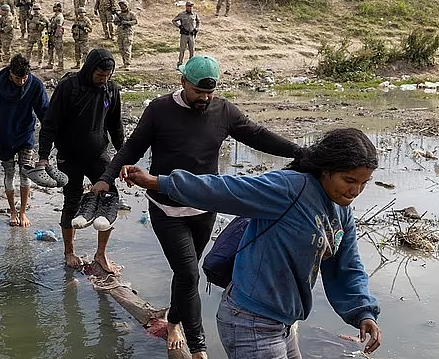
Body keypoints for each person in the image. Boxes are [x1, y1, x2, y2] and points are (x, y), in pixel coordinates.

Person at [90, 55, 302, 358]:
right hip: (167, 209)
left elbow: (256, 135)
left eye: (209, 93)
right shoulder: (160, 110)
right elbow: (133, 146)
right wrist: (107, 178)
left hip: (204, 209)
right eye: (198, 92)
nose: (204, 98)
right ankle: (198, 346)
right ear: (183, 82)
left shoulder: (223, 110)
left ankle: (174, 319)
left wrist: (300, 152)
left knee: (185, 275)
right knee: (189, 274)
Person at [121, 127, 383, 359]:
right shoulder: (291, 188)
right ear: (325, 170)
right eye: (349, 180)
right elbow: (223, 190)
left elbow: (347, 267)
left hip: (284, 322)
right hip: (250, 322)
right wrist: (158, 182)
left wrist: (363, 312)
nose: (355, 191)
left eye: (363, 183)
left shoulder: (342, 211)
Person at [38, 48, 124, 274]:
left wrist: (124, 158)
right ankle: (69, 252)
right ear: (89, 69)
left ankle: (101, 254)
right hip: (70, 157)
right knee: (72, 202)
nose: (103, 80)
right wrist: (43, 156)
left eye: (107, 76)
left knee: (109, 200)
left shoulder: (111, 91)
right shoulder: (69, 87)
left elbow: (116, 127)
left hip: (98, 155)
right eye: (99, 76)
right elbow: (50, 124)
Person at [0, 54, 49, 227]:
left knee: (25, 174)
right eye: (18, 78)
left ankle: (23, 212)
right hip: (3, 135)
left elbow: (45, 112)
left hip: (25, 135)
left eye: (25, 78)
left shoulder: (35, 85)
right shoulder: (0, 81)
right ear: (10, 73)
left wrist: (54, 132)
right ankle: (13, 211)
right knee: (9, 174)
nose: (22, 82)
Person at [172, 1, 200, 69]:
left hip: (191, 35)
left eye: (191, 6)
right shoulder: (182, 14)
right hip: (184, 35)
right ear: (186, 7)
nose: (190, 8)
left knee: (192, 50)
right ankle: (180, 64)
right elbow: (174, 20)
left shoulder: (194, 14)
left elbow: (198, 21)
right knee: (182, 50)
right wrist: (179, 26)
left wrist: (196, 28)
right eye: (189, 6)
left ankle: (191, 65)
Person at [113, 0, 138, 70]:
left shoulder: (131, 14)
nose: (122, 7)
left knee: (127, 48)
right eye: (121, 6)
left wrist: (127, 22)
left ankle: (127, 64)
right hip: (120, 33)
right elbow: (115, 22)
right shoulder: (119, 14)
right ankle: (124, 63)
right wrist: (118, 21)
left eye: (123, 5)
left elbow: (135, 21)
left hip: (128, 33)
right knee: (121, 49)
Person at [43, 2, 65, 72]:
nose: (54, 8)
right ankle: (50, 63)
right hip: (51, 35)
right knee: (50, 50)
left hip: (56, 36)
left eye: (55, 7)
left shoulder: (59, 17)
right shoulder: (54, 16)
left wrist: (56, 36)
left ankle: (60, 66)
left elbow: (59, 27)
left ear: (59, 8)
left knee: (59, 51)